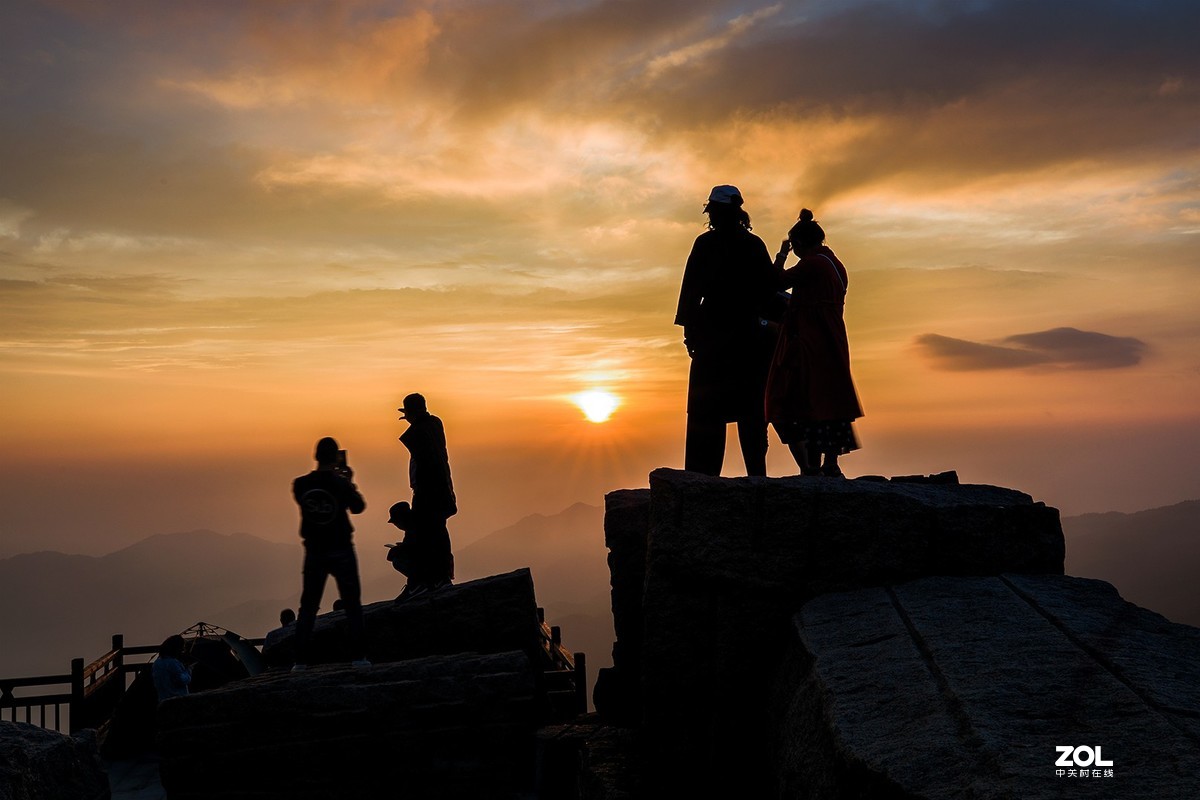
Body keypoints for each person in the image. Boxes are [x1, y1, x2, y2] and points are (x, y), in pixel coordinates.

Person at [674, 184, 782, 476]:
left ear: (714, 212)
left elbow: (691, 290)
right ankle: (756, 475)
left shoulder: (705, 244)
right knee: (750, 410)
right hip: (748, 336)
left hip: (714, 336)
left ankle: (702, 478)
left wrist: (690, 333)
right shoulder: (754, 245)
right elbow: (767, 291)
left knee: (707, 410)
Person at [764, 209, 864, 476]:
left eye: (794, 246)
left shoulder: (811, 264)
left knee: (807, 401)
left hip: (810, 340)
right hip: (832, 338)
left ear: (799, 244)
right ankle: (829, 464)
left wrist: (781, 255)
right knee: (830, 400)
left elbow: (776, 282)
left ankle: (813, 466)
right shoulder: (834, 264)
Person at [291, 436, 369, 670]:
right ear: (336, 457)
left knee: (308, 606)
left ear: (316, 456)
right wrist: (348, 481)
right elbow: (358, 507)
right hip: (341, 548)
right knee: (352, 604)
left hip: (314, 550)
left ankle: (300, 661)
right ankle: (359, 657)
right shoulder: (340, 483)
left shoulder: (300, 485)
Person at [396, 394, 456, 600]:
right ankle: (440, 577)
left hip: (428, 493)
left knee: (429, 534)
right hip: (439, 490)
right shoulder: (434, 424)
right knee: (437, 532)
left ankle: (429, 580)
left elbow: (424, 460)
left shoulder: (421, 431)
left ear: (412, 413)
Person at [152, 635, 192, 703]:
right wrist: (188, 671)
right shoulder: (173, 663)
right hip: (177, 700)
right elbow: (182, 680)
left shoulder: (157, 663)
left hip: (162, 700)